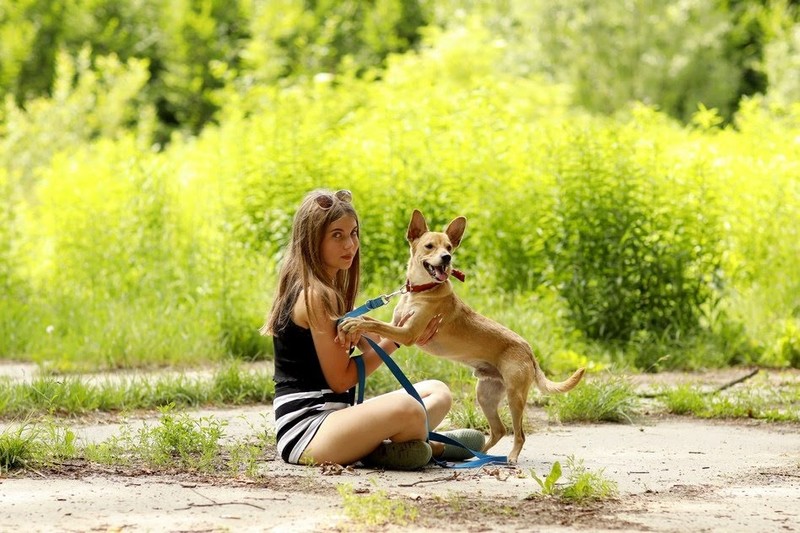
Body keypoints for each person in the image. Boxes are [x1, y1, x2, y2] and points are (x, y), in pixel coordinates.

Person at [261, 188, 484, 469]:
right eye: (337, 235)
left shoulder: (331, 290)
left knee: (437, 392)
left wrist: (396, 328)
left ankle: (399, 446)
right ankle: (427, 446)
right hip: (307, 432)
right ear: (311, 241)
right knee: (410, 409)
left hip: (338, 418)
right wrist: (398, 339)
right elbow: (341, 381)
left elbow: (374, 343)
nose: (349, 244)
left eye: (353, 233)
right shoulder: (315, 296)